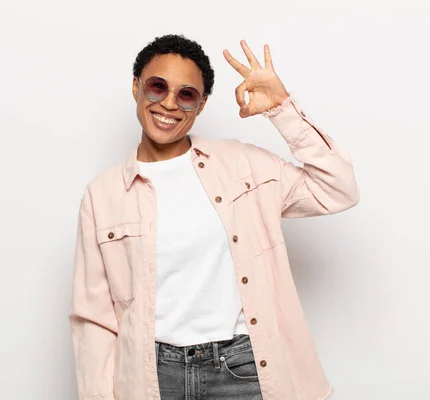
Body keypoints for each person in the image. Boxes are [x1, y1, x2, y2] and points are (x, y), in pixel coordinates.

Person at [70, 34, 359, 400]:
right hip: (152, 378)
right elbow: (93, 318)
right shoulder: (103, 194)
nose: (169, 104)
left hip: (241, 371)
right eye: (157, 87)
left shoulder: (242, 165)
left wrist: (282, 109)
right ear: (136, 88)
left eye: (186, 94)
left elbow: (338, 188)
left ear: (201, 104)